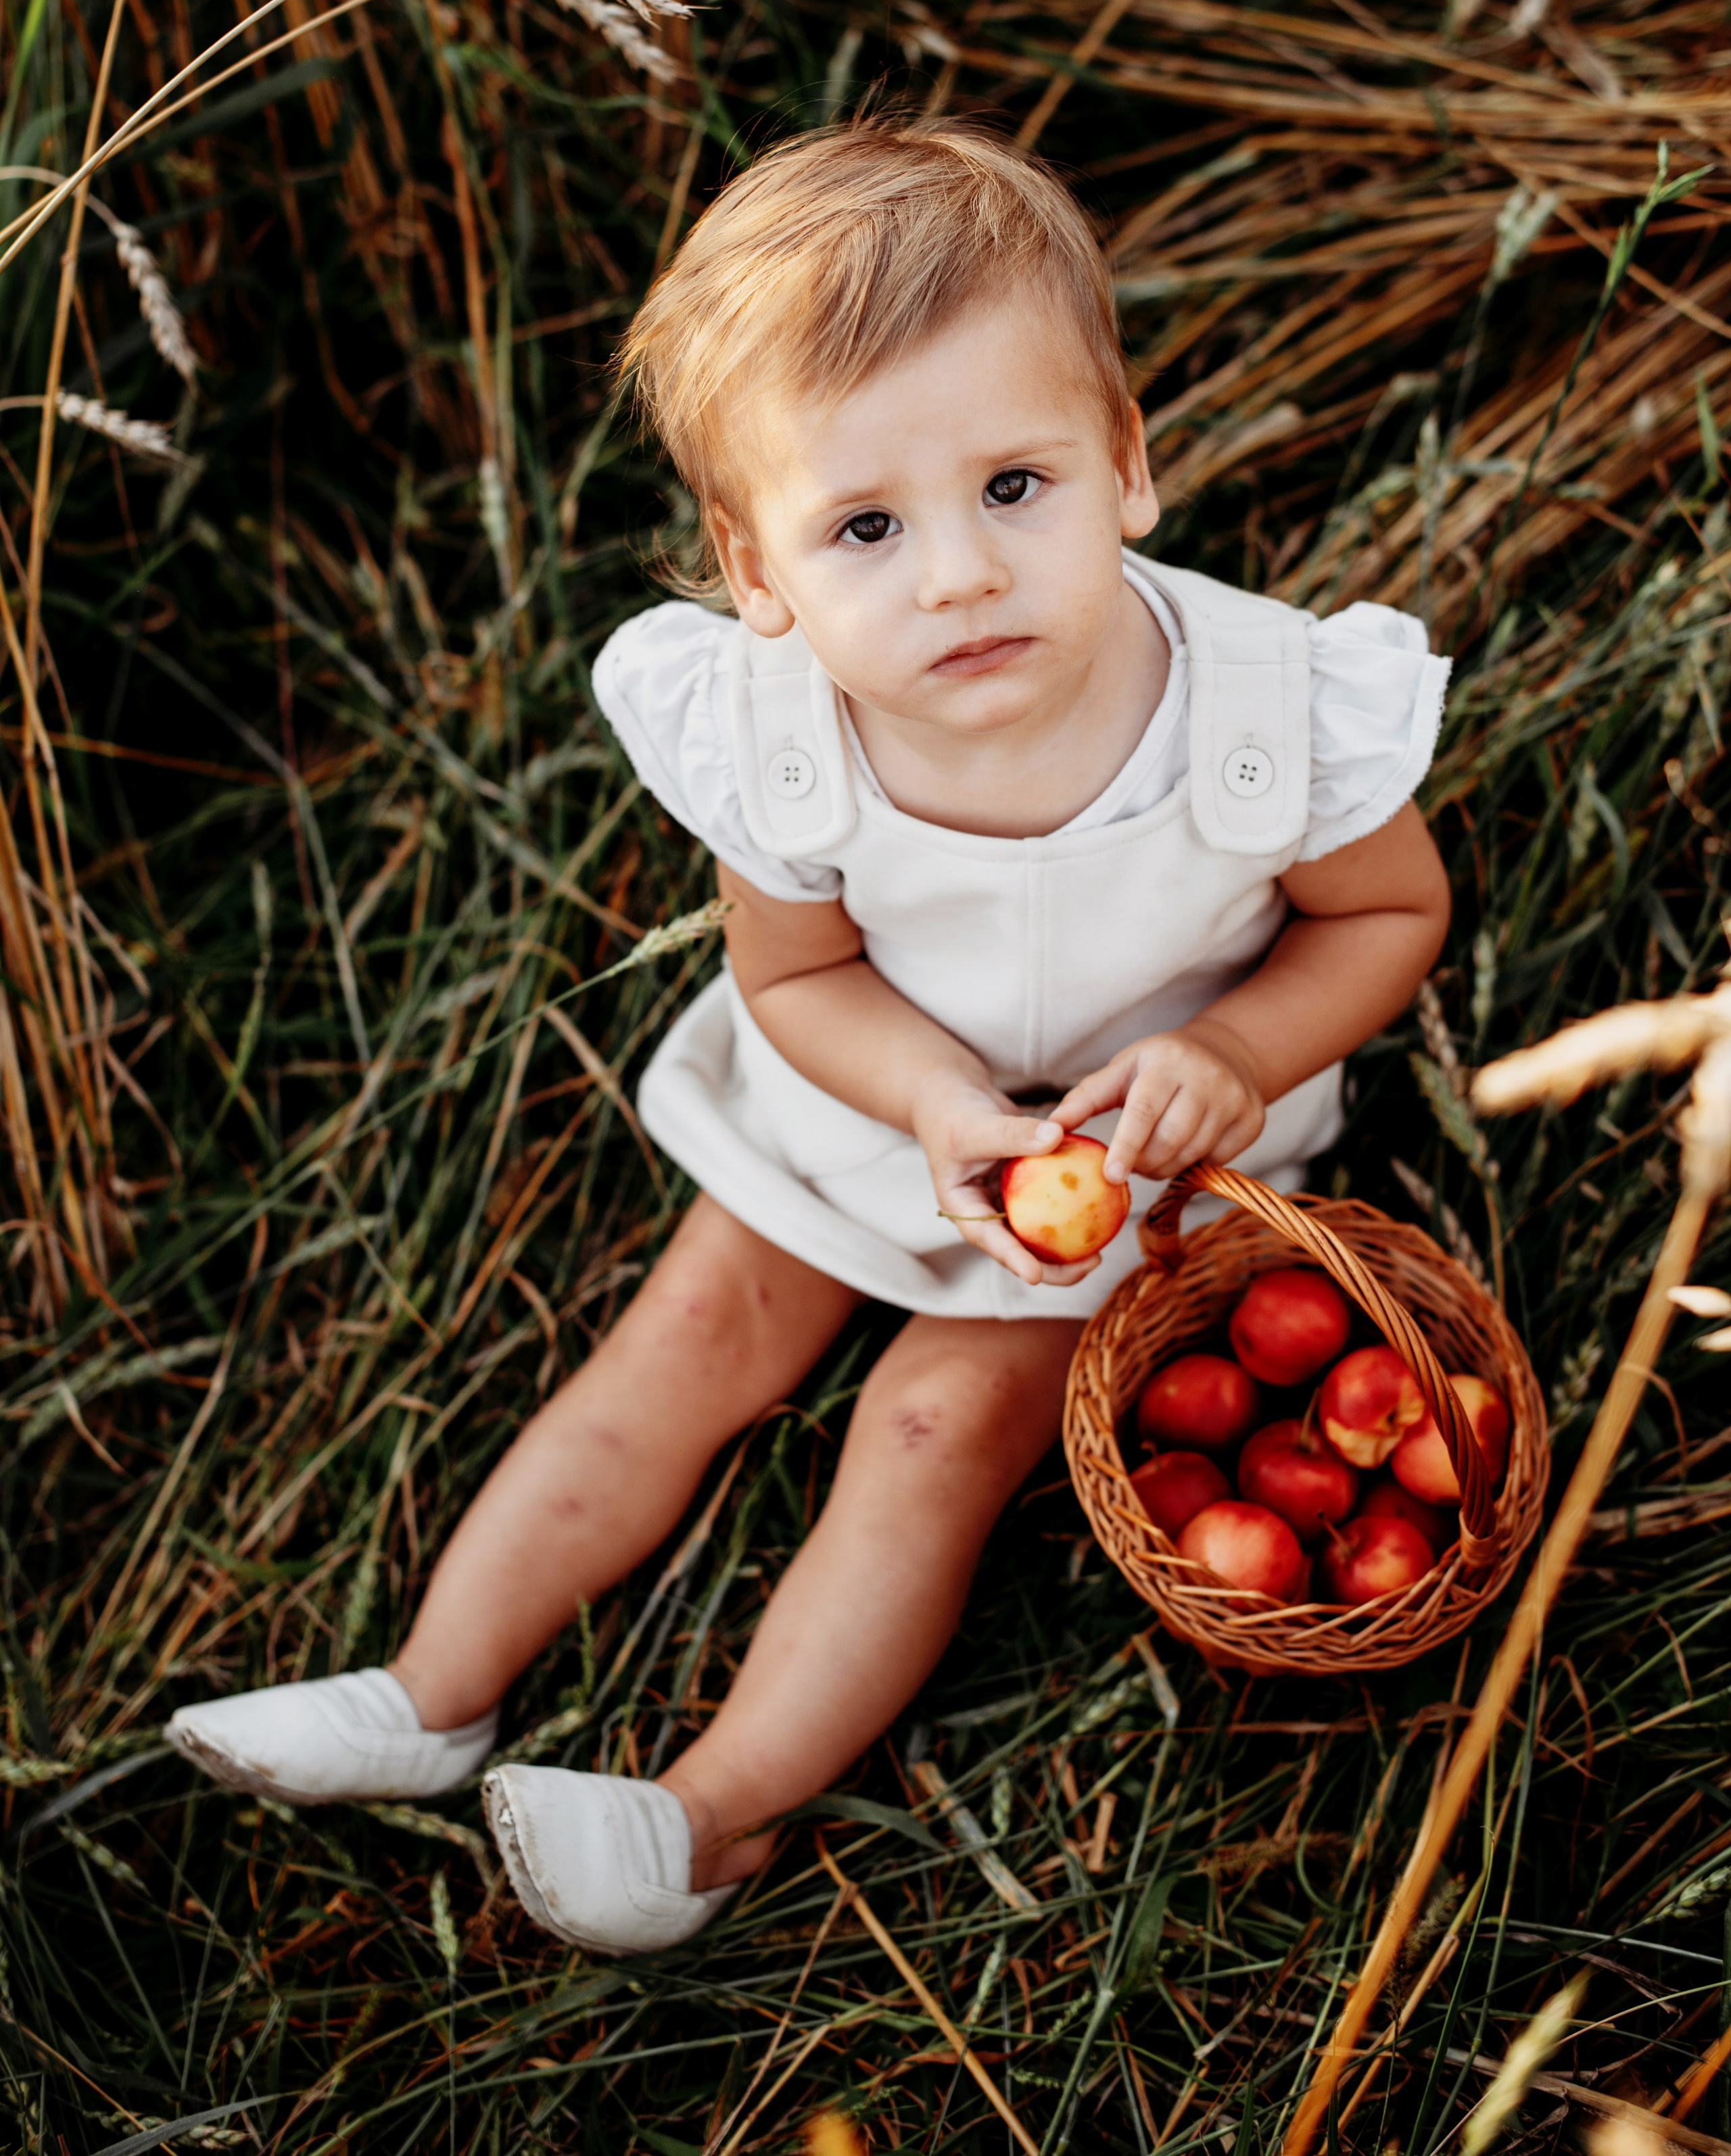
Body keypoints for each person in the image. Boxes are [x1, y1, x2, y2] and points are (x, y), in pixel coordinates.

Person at [167, 118, 1451, 1953]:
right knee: (683, 1334)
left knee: (932, 1423)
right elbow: (796, 980)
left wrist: (1238, 1056)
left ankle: (708, 1815)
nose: (957, 575)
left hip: (1154, 1152)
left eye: (1017, 484)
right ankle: (429, 1691)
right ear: (755, 565)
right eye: (867, 524)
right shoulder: (781, 733)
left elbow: (1387, 916)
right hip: (870, 1108)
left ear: (1130, 463)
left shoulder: (1262, 711)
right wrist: (932, 1098)